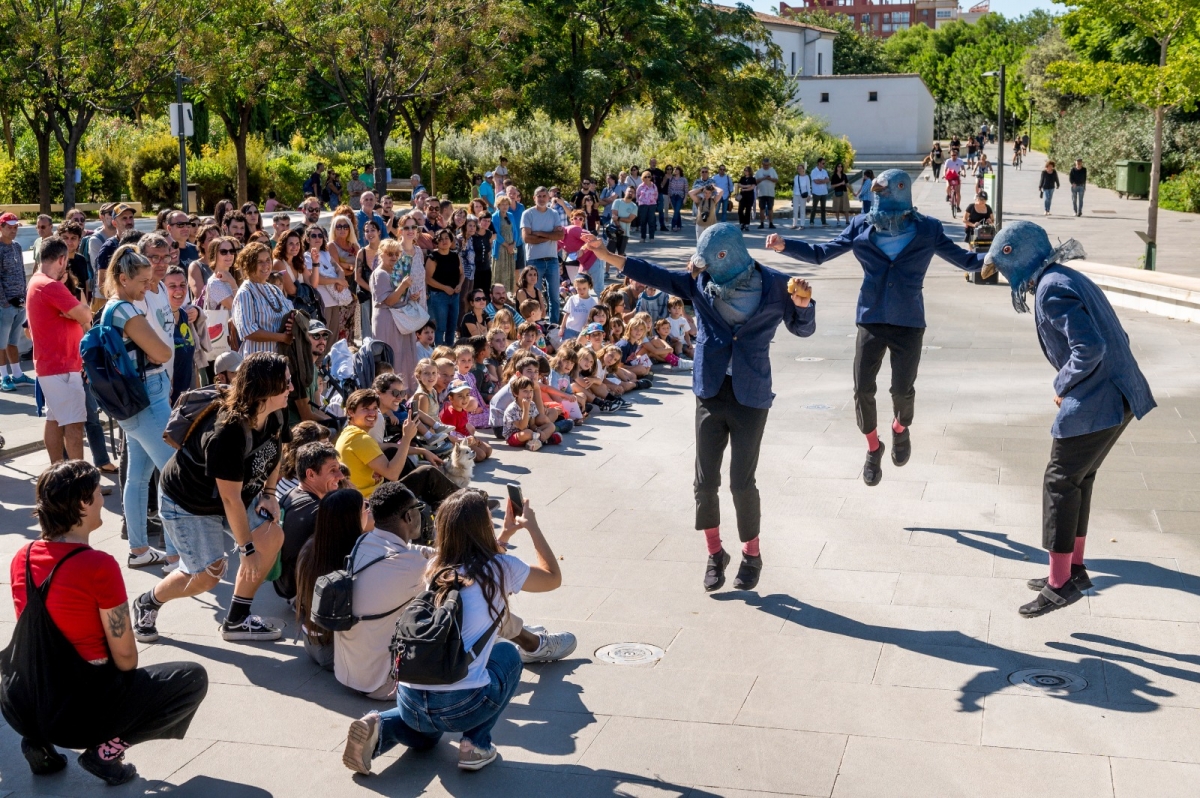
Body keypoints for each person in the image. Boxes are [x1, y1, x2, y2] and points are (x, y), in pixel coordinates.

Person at [583, 224, 814, 591]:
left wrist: (803, 307)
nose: (704, 265)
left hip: (751, 394)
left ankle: (752, 554)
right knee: (704, 483)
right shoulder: (699, 280)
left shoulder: (777, 285)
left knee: (742, 483)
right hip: (710, 390)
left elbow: (803, 329)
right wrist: (606, 255)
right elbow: (653, 273)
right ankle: (715, 553)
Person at [768, 169, 986, 487]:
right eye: (878, 189)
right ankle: (873, 447)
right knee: (862, 389)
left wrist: (1004, 257)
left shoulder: (928, 228)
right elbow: (821, 253)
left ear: (902, 190)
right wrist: (784, 245)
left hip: (909, 321)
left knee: (902, 391)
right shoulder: (861, 224)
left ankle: (900, 428)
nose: (879, 192)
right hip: (871, 316)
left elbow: (966, 261)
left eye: (886, 188)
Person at [984, 221, 1155, 617]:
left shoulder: (1050, 289)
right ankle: (1073, 569)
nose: (1003, 274)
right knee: (1079, 479)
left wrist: (1063, 383)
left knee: (1059, 482)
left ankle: (1060, 583)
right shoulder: (1064, 276)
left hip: (1099, 401)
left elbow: (1089, 348)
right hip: (1122, 394)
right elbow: (1115, 336)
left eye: (1004, 262)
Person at [7, 460, 208, 786]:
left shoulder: (23, 556)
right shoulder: (97, 566)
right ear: (83, 503)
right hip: (77, 717)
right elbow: (126, 658)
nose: (103, 498)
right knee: (191, 678)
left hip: (22, 705)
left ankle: (37, 743)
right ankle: (105, 752)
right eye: (98, 492)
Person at [341, 491, 566, 775]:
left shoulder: (433, 568)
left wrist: (506, 534)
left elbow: (476, 560)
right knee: (507, 653)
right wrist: (531, 527)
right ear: (483, 527)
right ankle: (475, 745)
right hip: (463, 706)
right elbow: (552, 578)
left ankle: (379, 725)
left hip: (410, 699)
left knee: (428, 735)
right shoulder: (502, 568)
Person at [133, 352, 292, 643]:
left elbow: (276, 449)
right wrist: (247, 549)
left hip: (233, 495)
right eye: (286, 382)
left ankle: (237, 620)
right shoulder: (228, 432)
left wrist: (270, 494)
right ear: (266, 388)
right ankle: (148, 601)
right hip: (188, 502)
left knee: (271, 537)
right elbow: (230, 500)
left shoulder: (275, 412)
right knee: (207, 576)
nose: (291, 388)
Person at [101, 246, 178, 569]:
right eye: (143, 281)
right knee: (174, 472)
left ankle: (139, 549)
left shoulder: (110, 308)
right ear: (123, 279)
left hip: (133, 400)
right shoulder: (126, 311)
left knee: (138, 477)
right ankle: (175, 554)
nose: (149, 286)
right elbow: (163, 353)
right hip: (149, 397)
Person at [26, 236, 91, 462]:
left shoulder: (38, 281)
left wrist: (74, 311)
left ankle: (57, 472)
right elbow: (86, 314)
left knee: (54, 420)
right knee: (74, 425)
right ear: (62, 260)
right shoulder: (50, 286)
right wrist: (77, 311)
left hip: (53, 365)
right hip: (62, 366)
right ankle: (79, 478)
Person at [335, 388, 459, 505]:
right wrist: (406, 438)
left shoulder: (350, 433)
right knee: (428, 473)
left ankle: (433, 505)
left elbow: (385, 446)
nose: (372, 413)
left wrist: (422, 451)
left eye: (375, 408)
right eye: (366, 409)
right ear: (351, 412)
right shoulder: (361, 439)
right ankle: (462, 501)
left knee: (392, 452)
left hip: (367, 494)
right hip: (372, 503)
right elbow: (392, 474)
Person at [294, 488, 372, 669]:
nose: (369, 511)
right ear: (351, 519)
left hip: (311, 642)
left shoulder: (310, 548)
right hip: (335, 653)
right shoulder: (357, 558)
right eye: (365, 507)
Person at [277, 441, 344, 601]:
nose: (340, 476)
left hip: (284, 584)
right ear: (311, 475)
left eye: (339, 469)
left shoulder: (290, 494)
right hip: (302, 594)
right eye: (332, 470)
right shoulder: (320, 512)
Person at [373, 233, 427, 391]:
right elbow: (388, 301)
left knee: (405, 357)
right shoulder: (380, 274)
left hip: (401, 319)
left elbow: (398, 297)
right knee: (393, 358)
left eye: (397, 254)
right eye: (390, 254)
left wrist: (410, 296)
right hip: (387, 320)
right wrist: (403, 286)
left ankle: (405, 392)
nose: (394, 257)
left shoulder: (395, 271)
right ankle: (391, 392)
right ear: (381, 254)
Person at [232, 242, 295, 356]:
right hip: (258, 359)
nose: (266, 265)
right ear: (249, 265)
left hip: (280, 357)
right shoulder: (245, 293)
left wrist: (293, 324)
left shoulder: (274, 289)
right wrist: (282, 338)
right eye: (260, 262)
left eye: (268, 260)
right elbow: (248, 331)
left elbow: (290, 314)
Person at [521, 186, 565, 328]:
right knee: (534, 297)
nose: (541, 199)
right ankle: (536, 325)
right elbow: (527, 238)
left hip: (552, 259)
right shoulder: (527, 214)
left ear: (548, 198)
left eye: (544, 196)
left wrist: (539, 233)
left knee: (555, 297)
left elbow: (560, 235)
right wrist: (550, 235)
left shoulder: (554, 214)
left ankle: (554, 326)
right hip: (534, 260)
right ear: (534, 198)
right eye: (538, 196)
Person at [0, 212, 31, 392]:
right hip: (4, 305)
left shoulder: (17, 246)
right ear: (1, 227)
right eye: (9, 227)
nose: (13, 230)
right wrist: (4, 302)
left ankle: (18, 375)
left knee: (13, 341)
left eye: (15, 227)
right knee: (1, 343)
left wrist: (24, 296)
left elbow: (21, 273)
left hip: (19, 303)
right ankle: (4, 376)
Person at [425, 229, 463, 347]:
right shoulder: (433, 257)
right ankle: (439, 352)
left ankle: (450, 350)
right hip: (439, 296)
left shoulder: (455, 255)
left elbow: (462, 274)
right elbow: (428, 279)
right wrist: (444, 288)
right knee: (440, 327)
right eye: (441, 239)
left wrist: (459, 285)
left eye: (447, 238)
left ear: (451, 240)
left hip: (454, 296)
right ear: (437, 242)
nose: (444, 241)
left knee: (452, 326)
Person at [754, 157, 778, 229]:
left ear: (769, 164)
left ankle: (771, 223)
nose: (766, 166)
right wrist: (763, 178)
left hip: (770, 193)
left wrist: (770, 179)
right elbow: (755, 181)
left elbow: (776, 180)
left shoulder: (772, 171)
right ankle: (762, 223)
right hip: (761, 193)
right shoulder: (759, 172)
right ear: (762, 164)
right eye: (764, 165)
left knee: (770, 209)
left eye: (767, 165)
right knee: (762, 209)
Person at [635, 171, 659, 242]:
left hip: (652, 205)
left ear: (650, 178)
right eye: (645, 177)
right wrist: (639, 202)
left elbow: (656, 195)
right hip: (643, 205)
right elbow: (637, 195)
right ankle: (643, 237)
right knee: (643, 221)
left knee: (651, 221)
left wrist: (653, 202)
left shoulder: (654, 186)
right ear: (642, 178)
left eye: (648, 176)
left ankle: (652, 237)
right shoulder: (640, 186)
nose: (647, 178)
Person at [808, 159, 830, 226]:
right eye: (823, 163)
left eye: (824, 163)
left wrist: (821, 180)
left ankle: (824, 222)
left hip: (824, 192)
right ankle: (811, 221)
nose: (824, 165)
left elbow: (828, 180)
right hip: (816, 192)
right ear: (819, 163)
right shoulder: (813, 171)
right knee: (814, 207)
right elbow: (816, 181)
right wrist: (823, 180)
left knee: (823, 208)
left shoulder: (824, 171)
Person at [791, 164, 811, 229]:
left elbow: (808, 187)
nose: (799, 170)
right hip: (796, 195)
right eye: (798, 169)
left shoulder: (806, 177)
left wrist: (809, 195)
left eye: (801, 168)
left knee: (802, 210)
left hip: (803, 195)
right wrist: (793, 195)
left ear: (803, 169)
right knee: (795, 210)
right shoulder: (796, 177)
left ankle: (802, 224)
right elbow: (794, 187)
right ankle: (794, 224)